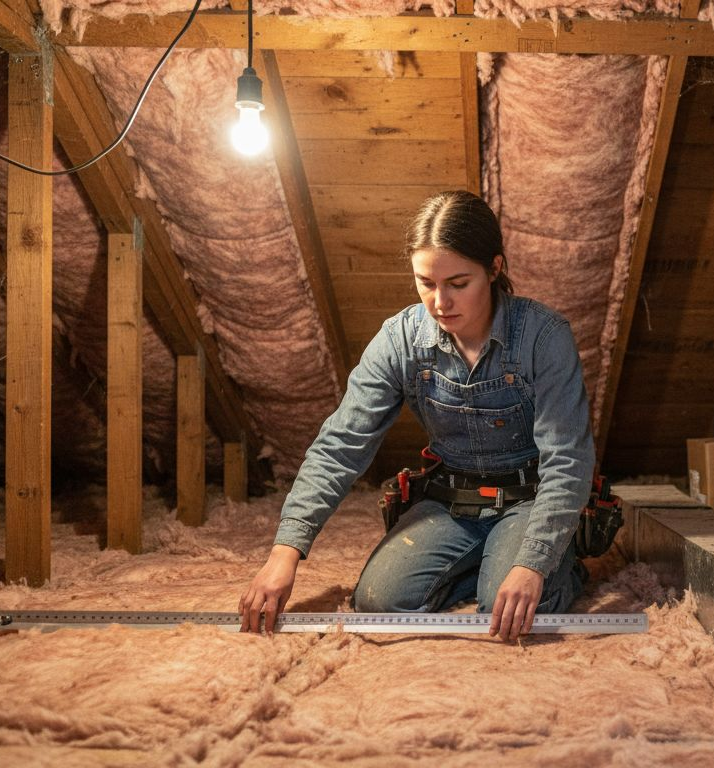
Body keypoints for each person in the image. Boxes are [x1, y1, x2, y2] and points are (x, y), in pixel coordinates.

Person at [239, 190, 595, 641]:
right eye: (426, 282)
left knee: (513, 609)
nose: (440, 301)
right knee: (377, 603)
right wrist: (284, 553)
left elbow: (568, 459)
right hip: (451, 500)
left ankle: (550, 560)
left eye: (458, 283)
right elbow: (340, 446)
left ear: (495, 268)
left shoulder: (545, 337)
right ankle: (490, 562)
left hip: (530, 498)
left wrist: (532, 562)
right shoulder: (399, 340)